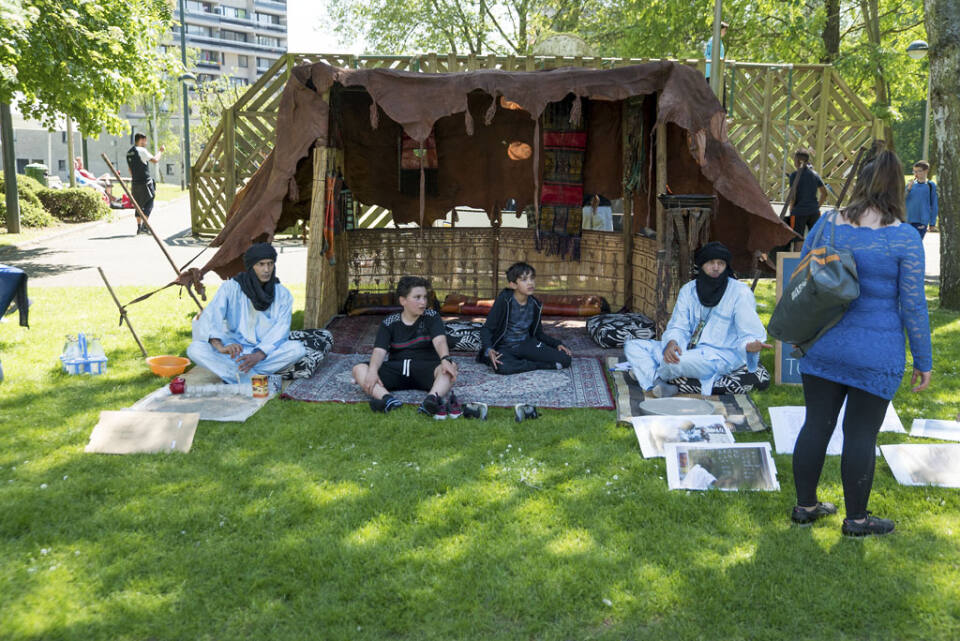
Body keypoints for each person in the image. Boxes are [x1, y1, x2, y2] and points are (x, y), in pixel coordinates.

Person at [790, 149, 932, 537]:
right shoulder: (905, 237)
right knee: (861, 434)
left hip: (824, 341)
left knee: (815, 425)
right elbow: (913, 305)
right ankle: (856, 520)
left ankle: (805, 507)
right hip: (877, 352)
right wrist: (923, 360)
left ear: (862, 182)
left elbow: (802, 274)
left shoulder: (827, 223)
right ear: (898, 187)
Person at [623, 242, 770, 397]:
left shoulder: (740, 293)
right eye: (711, 263)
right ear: (702, 265)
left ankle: (650, 375)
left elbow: (749, 333)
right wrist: (672, 343)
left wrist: (749, 346)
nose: (716, 268)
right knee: (633, 346)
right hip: (687, 348)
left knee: (674, 362)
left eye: (720, 263)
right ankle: (658, 381)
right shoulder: (688, 290)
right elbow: (678, 326)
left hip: (719, 355)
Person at [187, 243, 305, 385]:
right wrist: (221, 347)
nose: (266, 269)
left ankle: (235, 374)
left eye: (270, 264)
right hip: (234, 351)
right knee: (195, 349)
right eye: (261, 264)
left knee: (297, 349)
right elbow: (211, 317)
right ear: (251, 266)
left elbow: (281, 330)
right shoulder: (230, 288)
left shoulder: (283, 294)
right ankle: (251, 377)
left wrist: (259, 355)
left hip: (263, 354)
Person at [351, 276, 460, 418]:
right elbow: (379, 351)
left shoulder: (432, 316)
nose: (423, 302)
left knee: (450, 367)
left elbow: (439, 341)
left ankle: (431, 400)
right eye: (417, 297)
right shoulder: (389, 322)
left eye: (424, 297)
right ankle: (388, 400)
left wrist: (445, 359)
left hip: (426, 368)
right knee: (359, 369)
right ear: (403, 301)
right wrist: (372, 371)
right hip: (398, 369)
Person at [477, 262, 573, 375]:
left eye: (532, 278)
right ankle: (538, 365)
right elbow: (487, 329)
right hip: (505, 347)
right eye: (524, 280)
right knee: (502, 367)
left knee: (565, 359)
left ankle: (523, 362)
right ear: (513, 285)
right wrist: (489, 349)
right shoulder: (504, 301)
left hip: (527, 344)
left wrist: (556, 344)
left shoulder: (535, 304)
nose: (530, 282)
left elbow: (538, 333)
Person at [125, 133, 163, 235]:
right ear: (141, 140)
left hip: (135, 183)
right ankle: (144, 227)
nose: (146, 143)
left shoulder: (129, 153)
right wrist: (160, 151)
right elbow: (155, 160)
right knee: (149, 202)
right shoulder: (141, 150)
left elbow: (130, 169)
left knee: (138, 205)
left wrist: (135, 178)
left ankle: (139, 227)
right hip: (145, 182)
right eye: (145, 140)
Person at [786, 148, 828, 239]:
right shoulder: (815, 174)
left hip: (798, 212)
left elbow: (793, 196)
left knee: (798, 239)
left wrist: (791, 208)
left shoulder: (794, 175)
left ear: (797, 161)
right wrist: (817, 206)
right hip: (814, 212)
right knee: (814, 240)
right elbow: (824, 193)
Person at [905, 160, 938, 239]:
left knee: (917, 243)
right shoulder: (910, 184)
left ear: (926, 171)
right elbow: (901, 200)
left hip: (922, 222)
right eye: (914, 171)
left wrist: (932, 223)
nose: (916, 174)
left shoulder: (930, 185)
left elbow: (934, 205)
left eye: (919, 171)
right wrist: (908, 189)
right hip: (907, 221)